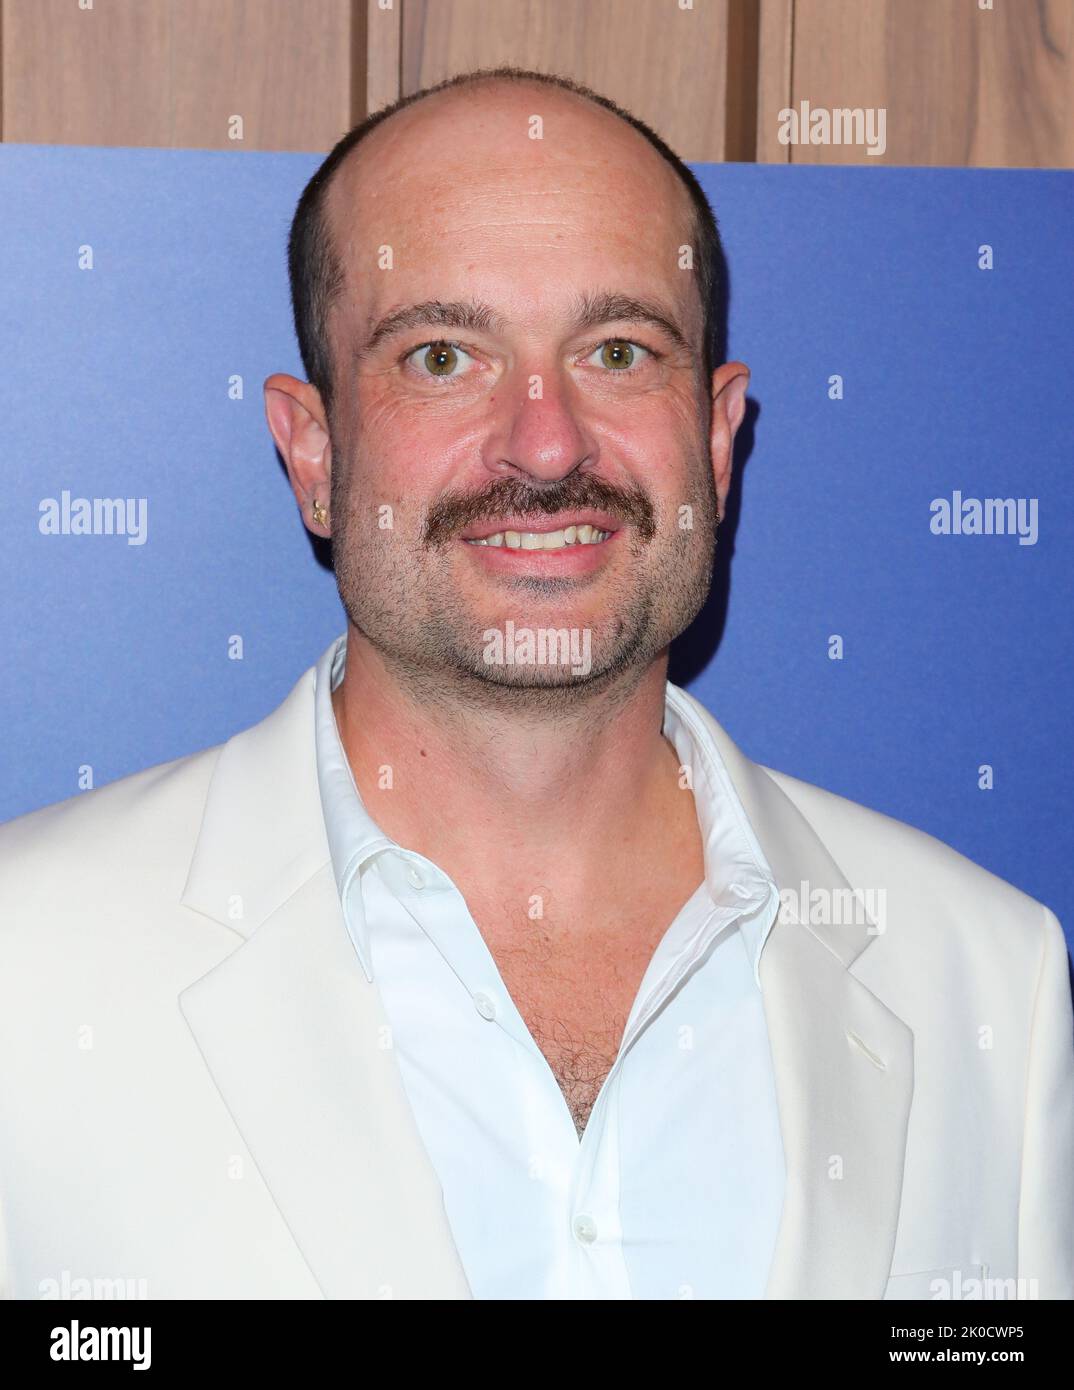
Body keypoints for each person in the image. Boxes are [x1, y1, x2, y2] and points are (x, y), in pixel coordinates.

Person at [0, 66, 1070, 1301]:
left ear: (718, 443)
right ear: (314, 453)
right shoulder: (28, 974)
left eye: (618, 350)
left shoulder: (986, 982)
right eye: (443, 355)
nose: (547, 441)